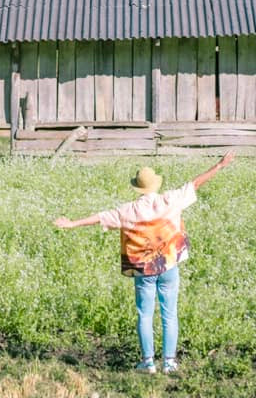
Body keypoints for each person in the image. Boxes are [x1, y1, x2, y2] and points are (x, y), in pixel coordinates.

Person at [53, 151, 235, 375]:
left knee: (145, 315)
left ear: (137, 188)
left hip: (143, 270)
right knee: (170, 314)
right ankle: (169, 362)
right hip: (168, 266)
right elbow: (195, 184)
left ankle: (148, 362)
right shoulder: (170, 200)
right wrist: (219, 165)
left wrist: (72, 223)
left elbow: (100, 217)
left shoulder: (127, 210)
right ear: (155, 185)